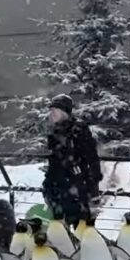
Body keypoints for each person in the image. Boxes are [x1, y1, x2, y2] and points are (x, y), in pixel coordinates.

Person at [42, 94, 102, 227]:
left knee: (81, 226)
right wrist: (48, 185)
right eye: (51, 111)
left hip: (77, 185)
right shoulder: (54, 132)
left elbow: (91, 157)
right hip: (58, 188)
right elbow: (54, 162)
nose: (51, 114)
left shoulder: (79, 130)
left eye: (54, 110)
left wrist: (93, 186)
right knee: (60, 229)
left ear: (63, 112)